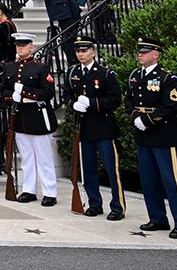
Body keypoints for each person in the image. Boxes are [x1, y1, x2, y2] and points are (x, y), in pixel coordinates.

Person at [126, 37, 177, 238]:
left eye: (144, 52)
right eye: (140, 52)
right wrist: (134, 116)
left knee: (172, 181)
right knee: (149, 180)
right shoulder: (135, 75)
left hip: (164, 134)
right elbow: (128, 99)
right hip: (143, 135)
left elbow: (171, 105)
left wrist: (148, 119)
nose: (140, 55)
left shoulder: (167, 78)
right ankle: (157, 218)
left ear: (156, 55)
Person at [0, 33, 58, 205]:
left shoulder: (41, 67)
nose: (20, 48)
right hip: (20, 118)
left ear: (31, 46)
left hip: (37, 116)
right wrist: (12, 96)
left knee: (44, 158)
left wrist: (25, 92)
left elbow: (48, 92)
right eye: (18, 45)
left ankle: (49, 192)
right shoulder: (10, 67)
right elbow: (3, 91)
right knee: (27, 157)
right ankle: (29, 190)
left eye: (24, 45)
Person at [67, 36, 125, 221]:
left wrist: (92, 103)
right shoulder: (73, 73)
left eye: (84, 51)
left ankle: (117, 206)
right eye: (78, 51)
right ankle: (94, 203)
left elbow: (115, 99)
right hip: (84, 128)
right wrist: (72, 104)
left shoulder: (106, 74)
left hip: (104, 128)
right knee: (88, 169)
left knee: (111, 169)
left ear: (93, 51)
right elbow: (67, 93)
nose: (80, 54)